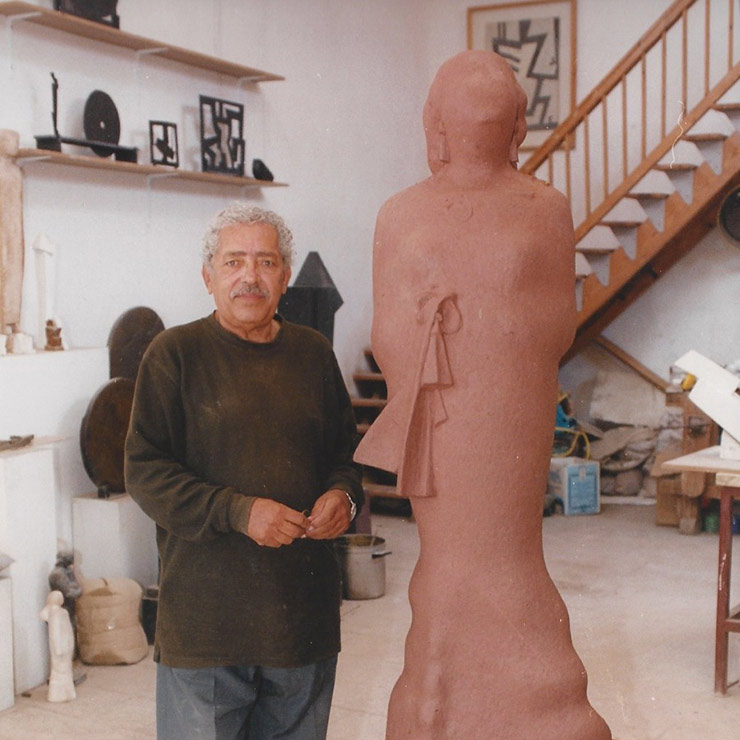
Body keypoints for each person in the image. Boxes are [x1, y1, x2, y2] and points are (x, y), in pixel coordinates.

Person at [355, 51, 611, 739]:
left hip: (481, 408)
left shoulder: (528, 209)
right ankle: (463, 695)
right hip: (464, 409)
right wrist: (463, 336)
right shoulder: (419, 212)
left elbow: (553, 325)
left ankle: (505, 699)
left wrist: (468, 339)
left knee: (489, 556)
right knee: (472, 558)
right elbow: (389, 330)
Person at [124, 203, 363, 740]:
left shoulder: (313, 354)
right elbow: (145, 471)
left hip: (301, 623)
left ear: (285, 277)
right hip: (207, 627)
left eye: (266, 262)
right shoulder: (173, 355)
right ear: (207, 277)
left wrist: (343, 498)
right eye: (233, 262)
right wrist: (239, 512)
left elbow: (345, 457)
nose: (250, 276)